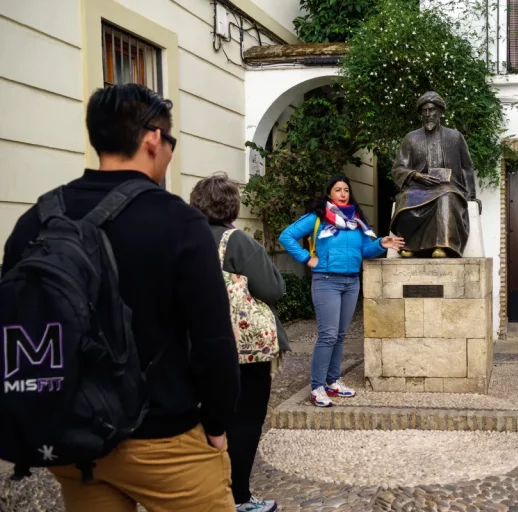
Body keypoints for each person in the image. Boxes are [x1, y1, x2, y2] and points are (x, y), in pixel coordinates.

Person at [1, 84, 240, 510]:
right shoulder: (180, 222)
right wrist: (218, 422)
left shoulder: (36, 218)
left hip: (75, 441)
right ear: (152, 139)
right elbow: (213, 341)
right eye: (170, 142)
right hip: (164, 439)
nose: (169, 153)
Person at [190, 173, 287, 512]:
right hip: (243, 352)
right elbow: (274, 289)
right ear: (231, 206)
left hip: (193, 348)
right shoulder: (237, 242)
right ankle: (239, 498)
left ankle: (203, 493)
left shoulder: (185, 238)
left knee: (203, 422)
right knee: (244, 421)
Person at [279, 176, 404, 407]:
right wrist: (307, 258)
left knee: (339, 335)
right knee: (327, 335)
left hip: (351, 282)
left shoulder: (356, 220)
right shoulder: (317, 218)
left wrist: (380, 245)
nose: (343, 193)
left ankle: (333, 381)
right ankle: (317, 387)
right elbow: (286, 236)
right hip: (326, 280)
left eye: (346, 189)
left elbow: (365, 250)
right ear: (329, 194)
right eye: (338, 189)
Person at [390, 91, 480, 258]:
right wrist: (416, 176)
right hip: (418, 186)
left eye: (431, 110)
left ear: (440, 112)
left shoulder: (455, 137)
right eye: (424, 111)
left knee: (446, 197)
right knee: (405, 199)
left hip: (448, 185)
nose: (428, 114)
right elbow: (398, 168)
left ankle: (442, 245)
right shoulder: (411, 138)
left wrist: (471, 196)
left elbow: (467, 167)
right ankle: (410, 245)